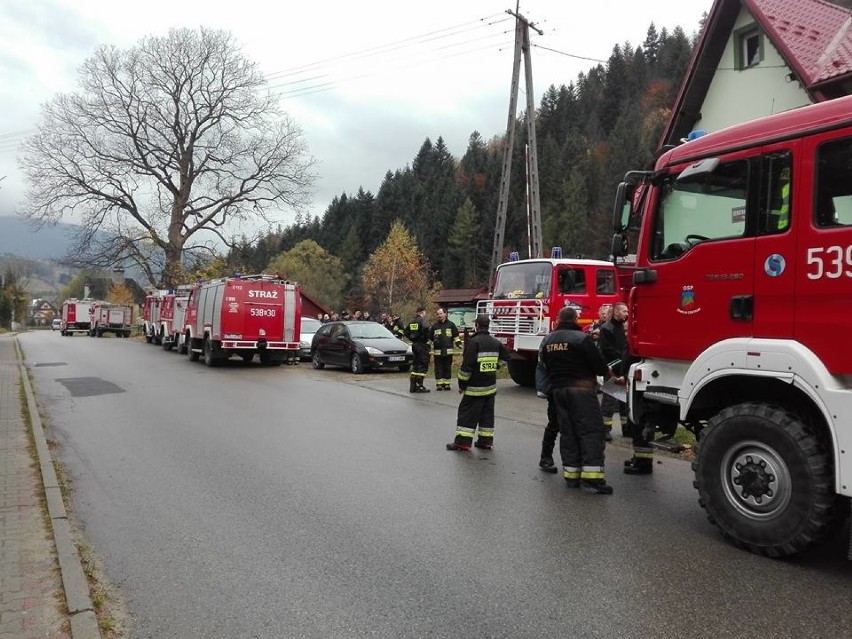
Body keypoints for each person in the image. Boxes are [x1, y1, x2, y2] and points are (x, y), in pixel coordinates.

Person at [540, 306, 614, 494]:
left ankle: (571, 476)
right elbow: (599, 367)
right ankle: (593, 478)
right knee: (590, 431)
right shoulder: (582, 339)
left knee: (568, 432)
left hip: (558, 391)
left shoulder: (548, 340)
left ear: (559, 320)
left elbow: (545, 366)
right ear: (575, 320)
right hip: (581, 391)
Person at [447, 314, 511, 451]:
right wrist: (496, 366)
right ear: (488, 326)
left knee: (467, 415)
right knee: (487, 416)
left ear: (476, 326)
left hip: (474, 388)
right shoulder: (495, 342)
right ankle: (485, 441)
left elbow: (466, 368)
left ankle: (462, 443)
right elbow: (507, 357)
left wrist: (462, 385)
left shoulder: (473, 342)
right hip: (490, 388)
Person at [598, 301, 629, 439]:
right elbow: (605, 348)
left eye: (627, 311)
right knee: (609, 399)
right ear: (616, 312)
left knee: (625, 399)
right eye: (624, 311)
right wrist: (621, 355)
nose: (627, 314)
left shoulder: (625, 327)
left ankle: (627, 428)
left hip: (624, 367)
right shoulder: (606, 328)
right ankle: (604, 429)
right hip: (612, 366)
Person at [429, 307, 461, 391]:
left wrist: (459, 344)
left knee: (447, 368)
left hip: (448, 351)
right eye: (438, 314)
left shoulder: (451, 325)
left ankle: (447, 384)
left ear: (445, 314)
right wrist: (427, 346)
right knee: (438, 368)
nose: (439, 315)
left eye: (441, 313)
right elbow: (430, 338)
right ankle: (439, 384)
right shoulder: (435, 326)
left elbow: (455, 336)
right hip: (438, 352)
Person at [404, 306, 432, 393]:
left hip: (414, 345)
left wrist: (412, 338)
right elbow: (426, 329)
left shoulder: (412, 322)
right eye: (425, 312)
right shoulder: (422, 321)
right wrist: (424, 338)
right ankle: (420, 386)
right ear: (422, 312)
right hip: (422, 345)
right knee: (423, 364)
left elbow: (406, 332)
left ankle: (413, 386)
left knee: (416, 364)